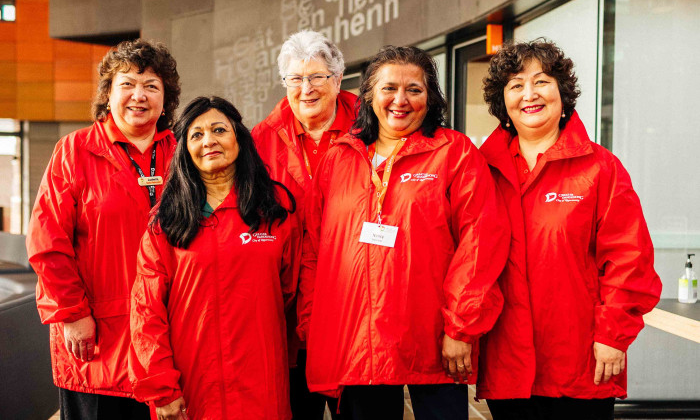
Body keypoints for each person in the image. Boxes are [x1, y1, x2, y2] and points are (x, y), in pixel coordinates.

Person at [298, 45, 509, 420]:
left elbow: (480, 243)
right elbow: (314, 247)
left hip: (433, 340)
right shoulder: (339, 157)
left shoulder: (454, 153)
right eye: (388, 88)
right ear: (369, 96)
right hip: (356, 341)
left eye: (414, 89)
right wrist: (313, 322)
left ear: (431, 98)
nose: (401, 100)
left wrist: (460, 328)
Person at [476, 40, 662, 420]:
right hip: (506, 361)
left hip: (580, 360)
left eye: (541, 81)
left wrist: (613, 335)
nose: (530, 94)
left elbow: (630, 260)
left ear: (562, 92)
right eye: (515, 85)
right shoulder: (480, 170)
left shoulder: (600, 168)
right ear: (502, 102)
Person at [26, 39, 180, 419]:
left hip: (171, 336)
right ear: (108, 93)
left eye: (151, 86)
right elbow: (47, 242)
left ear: (166, 98)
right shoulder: (74, 151)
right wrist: (72, 314)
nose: (138, 96)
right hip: (96, 339)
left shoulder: (184, 152)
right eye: (126, 84)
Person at [129, 96, 302, 420]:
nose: (208, 140)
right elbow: (145, 311)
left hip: (261, 383)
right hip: (192, 387)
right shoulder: (166, 221)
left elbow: (289, 290)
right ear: (185, 150)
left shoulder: (274, 210)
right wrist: (161, 389)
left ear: (239, 137)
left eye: (219, 130)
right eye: (196, 134)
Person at [252, 29, 357, 419]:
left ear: (338, 78)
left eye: (317, 77)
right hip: (288, 304)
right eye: (295, 79)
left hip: (356, 298)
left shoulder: (373, 129)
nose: (306, 88)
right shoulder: (260, 141)